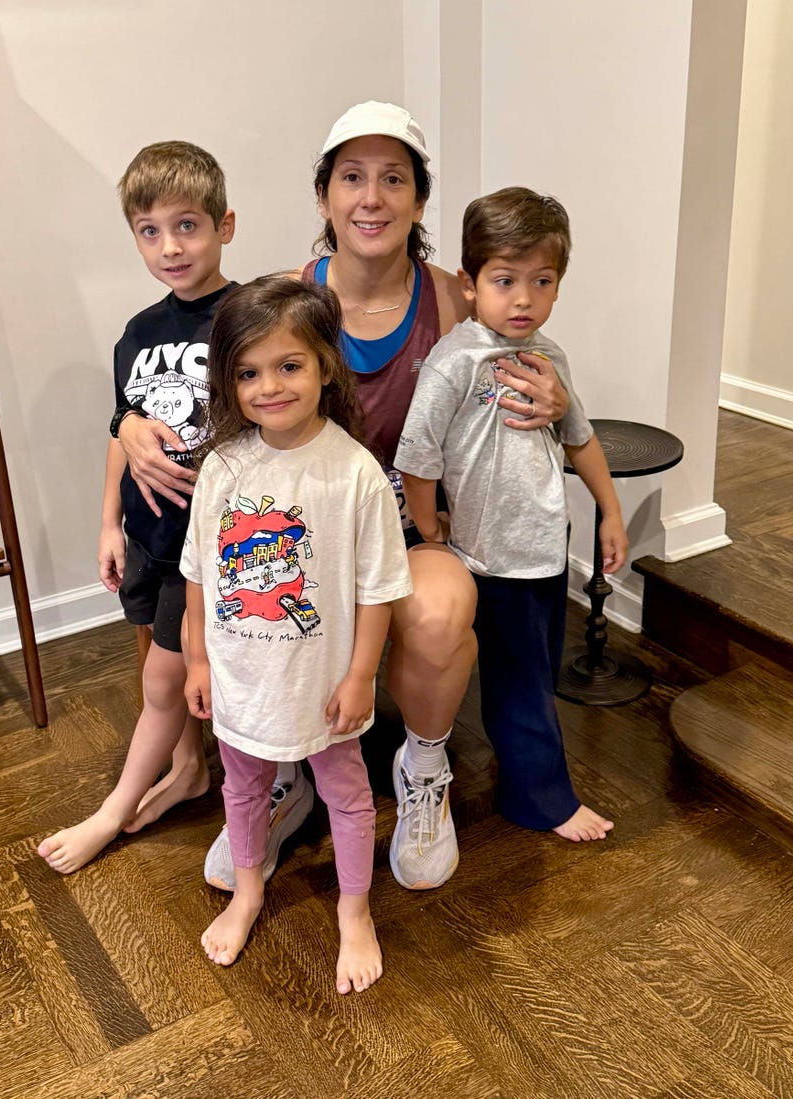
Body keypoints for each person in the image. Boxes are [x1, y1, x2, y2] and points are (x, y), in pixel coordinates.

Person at [118, 102, 569, 891]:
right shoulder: (282, 296)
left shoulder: (457, 299)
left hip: (412, 527)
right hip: (301, 532)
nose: (372, 197)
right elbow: (193, 383)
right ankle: (283, 770)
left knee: (436, 612)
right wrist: (124, 423)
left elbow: (526, 355)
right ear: (324, 196)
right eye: (351, 178)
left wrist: (561, 403)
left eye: (393, 178)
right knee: (262, 595)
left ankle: (424, 765)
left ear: (420, 200)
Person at [181, 274, 412, 993]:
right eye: (249, 372)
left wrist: (361, 674)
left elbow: (379, 588)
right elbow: (197, 574)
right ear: (228, 379)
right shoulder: (222, 468)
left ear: (323, 367)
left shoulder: (354, 474)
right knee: (243, 789)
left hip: (323, 686)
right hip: (240, 678)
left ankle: (354, 909)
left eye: (289, 365)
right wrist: (196, 659)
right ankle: (249, 890)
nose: (269, 386)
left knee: (346, 793)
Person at [394, 186, 626, 839]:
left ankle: (523, 772)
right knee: (521, 681)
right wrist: (430, 528)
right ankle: (540, 798)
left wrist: (609, 509)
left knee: (536, 672)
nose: (524, 298)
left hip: (547, 544)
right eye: (505, 280)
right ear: (469, 284)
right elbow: (418, 454)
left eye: (542, 280)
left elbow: (579, 436)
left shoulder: (551, 358)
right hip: (492, 555)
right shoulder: (454, 363)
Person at [38, 140, 237, 874]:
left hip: (206, 546)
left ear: (225, 225)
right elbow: (124, 427)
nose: (169, 246)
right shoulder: (137, 333)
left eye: (187, 225)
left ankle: (113, 812)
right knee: (153, 661)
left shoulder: (247, 318)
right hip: (148, 536)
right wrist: (105, 522)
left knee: (163, 676)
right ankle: (187, 769)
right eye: (149, 230)